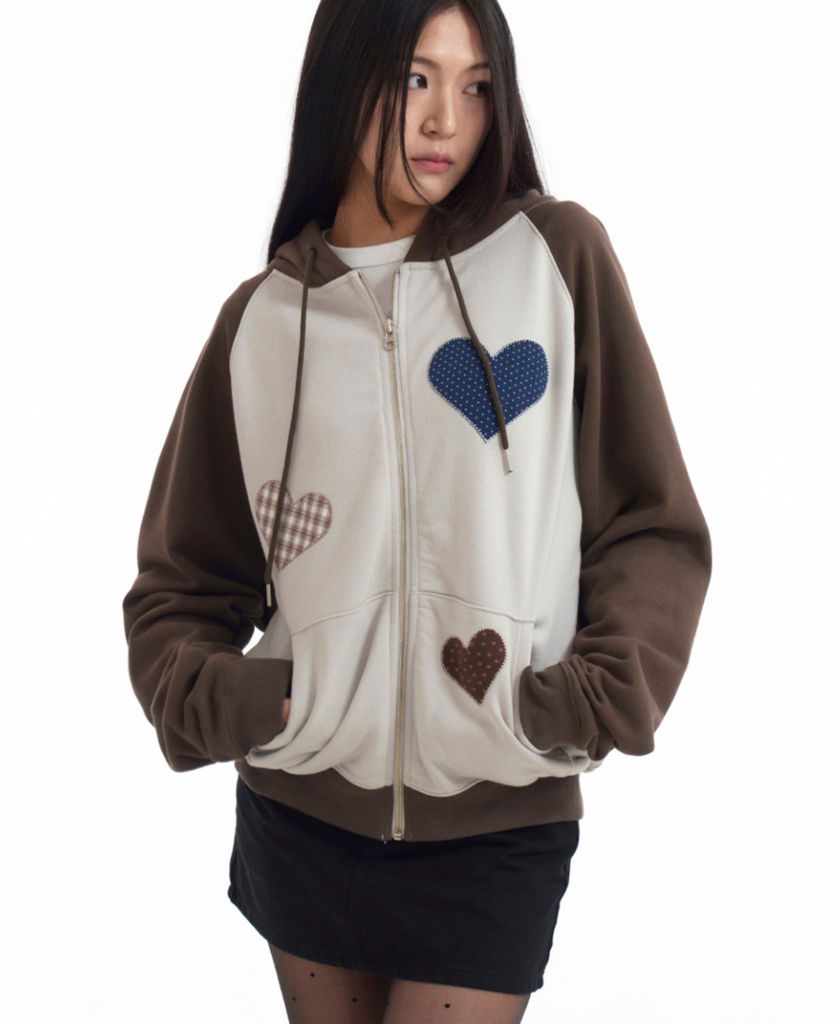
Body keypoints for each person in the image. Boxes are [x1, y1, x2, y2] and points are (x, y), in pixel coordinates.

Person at [123, 0, 712, 1020]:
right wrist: (251, 702)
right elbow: (183, 580)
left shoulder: (554, 260)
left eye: (476, 85)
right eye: (414, 79)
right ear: (342, 78)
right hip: (301, 812)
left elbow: (650, 522)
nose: (447, 120)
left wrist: (584, 702)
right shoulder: (262, 322)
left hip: (499, 817)